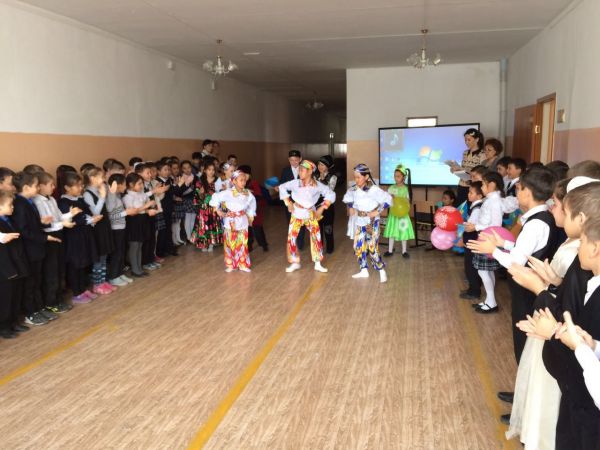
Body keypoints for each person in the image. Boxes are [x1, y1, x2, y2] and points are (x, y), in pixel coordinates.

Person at [506, 178, 581, 449]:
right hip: (548, 319)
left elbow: (571, 306)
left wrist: (542, 286)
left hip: (555, 324)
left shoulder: (580, 251)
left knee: (549, 388)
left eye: (558, 205)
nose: (553, 209)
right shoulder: (571, 241)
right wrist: (553, 282)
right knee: (537, 377)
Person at [12, 171, 61, 325]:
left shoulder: (28, 201)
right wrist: (44, 237)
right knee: (30, 283)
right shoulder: (20, 204)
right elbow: (23, 230)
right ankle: (30, 312)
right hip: (29, 250)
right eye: (35, 186)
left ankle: (39, 308)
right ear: (26, 187)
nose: (38, 188)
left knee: (37, 280)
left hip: (36, 249)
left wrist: (41, 222)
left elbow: (31, 224)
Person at [464, 171, 514, 313]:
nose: (482, 187)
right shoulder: (491, 199)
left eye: (483, 185)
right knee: (487, 271)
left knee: (483, 271)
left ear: (491, 185)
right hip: (486, 236)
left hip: (488, 238)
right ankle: (489, 300)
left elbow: (495, 223)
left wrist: (476, 227)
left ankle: (491, 302)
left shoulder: (494, 201)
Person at [279, 159, 335, 273]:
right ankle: (295, 262)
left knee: (316, 237)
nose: (299, 172)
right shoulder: (295, 183)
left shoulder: (317, 185)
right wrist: (288, 203)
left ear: (310, 172)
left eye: (302, 170)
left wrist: (322, 208)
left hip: (310, 214)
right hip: (296, 213)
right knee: (292, 238)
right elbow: (282, 187)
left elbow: (331, 194)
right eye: (299, 170)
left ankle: (317, 263)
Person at [33, 172, 77, 313]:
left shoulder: (51, 199)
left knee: (59, 269)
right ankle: (51, 302)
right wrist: (62, 224)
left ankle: (58, 299)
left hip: (59, 234)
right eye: (50, 185)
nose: (54, 187)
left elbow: (58, 217)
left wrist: (70, 214)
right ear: (40, 186)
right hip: (49, 238)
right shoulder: (37, 202)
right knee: (51, 272)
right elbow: (46, 224)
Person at [343, 164, 392, 283]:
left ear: (366, 177)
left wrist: (377, 211)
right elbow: (348, 197)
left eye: (358, 177)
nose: (356, 180)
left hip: (371, 222)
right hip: (360, 222)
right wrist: (351, 207)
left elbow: (388, 199)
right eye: (355, 177)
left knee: (372, 247)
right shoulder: (354, 189)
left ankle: (381, 269)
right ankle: (363, 269)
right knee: (358, 246)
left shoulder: (373, 189)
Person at [58, 172, 100, 304]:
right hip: (73, 237)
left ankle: (83, 289)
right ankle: (77, 292)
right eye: (77, 186)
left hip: (84, 234)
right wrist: (88, 220)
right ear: (67, 187)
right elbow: (72, 220)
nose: (81, 188)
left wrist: (91, 218)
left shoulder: (79, 199)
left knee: (83, 263)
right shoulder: (63, 202)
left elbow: (86, 213)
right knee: (75, 264)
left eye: (81, 185)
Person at [210, 170, 256, 272]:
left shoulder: (247, 193)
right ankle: (230, 264)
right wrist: (218, 210)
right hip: (230, 221)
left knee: (242, 243)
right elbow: (215, 197)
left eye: (244, 180)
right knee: (230, 243)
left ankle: (243, 264)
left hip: (242, 220)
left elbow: (252, 204)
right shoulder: (228, 192)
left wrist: (250, 216)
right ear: (234, 181)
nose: (243, 182)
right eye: (241, 180)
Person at [0, 191, 29, 338]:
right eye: (9, 205)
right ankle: (4, 326)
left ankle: (14, 321)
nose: (12, 207)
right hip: (5, 267)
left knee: (16, 294)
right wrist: (3, 237)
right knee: (6, 298)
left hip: (16, 262)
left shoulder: (8, 220)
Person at [83, 167, 116, 295]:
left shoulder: (99, 190)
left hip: (105, 226)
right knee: (99, 257)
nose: (103, 180)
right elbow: (95, 213)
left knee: (104, 256)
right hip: (96, 228)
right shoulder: (87, 194)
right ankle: (97, 284)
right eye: (101, 177)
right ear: (92, 178)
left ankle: (103, 281)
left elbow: (109, 208)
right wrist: (102, 197)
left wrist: (110, 194)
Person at [105, 174, 137, 286]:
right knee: (116, 253)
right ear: (117, 185)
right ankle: (113, 276)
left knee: (121, 252)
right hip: (115, 229)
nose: (125, 186)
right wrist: (125, 213)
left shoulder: (117, 194)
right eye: (124, 184)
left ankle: (119, 273)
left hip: (121, 227)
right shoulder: (110, 196)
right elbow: (109, 215)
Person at [123, 173, 156, 278]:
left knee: (140, 245)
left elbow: (143, 207)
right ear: (131, 184)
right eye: (139, 184)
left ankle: (139, 267)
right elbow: (132, 212)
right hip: (133, 222)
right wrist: (146, 206)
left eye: (142, 183)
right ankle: (135, 269)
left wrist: (148, 209)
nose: (141, 186)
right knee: (134, 246)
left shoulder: (140, 193)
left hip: (142, 220)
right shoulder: (127, 197)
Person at [459, 181, 484, 300]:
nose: (468, 194)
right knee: (471, 266)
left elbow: (470, 226)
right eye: (469, 192)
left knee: (470, 267)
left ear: (479, 196)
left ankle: (474, 291)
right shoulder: (475, 206)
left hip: (472, 241)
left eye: (471, 193)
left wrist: (459, 226)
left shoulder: (477, 209)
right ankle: (473, 288)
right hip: (472, 240)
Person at [191, 160, 223, 251]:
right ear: (204, 170)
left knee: (213, 224)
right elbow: (197, 196)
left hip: (214, 207)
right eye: (209, 169)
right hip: (204, 207)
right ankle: (203, 243)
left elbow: (220, 194)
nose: (211, 171)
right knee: (203, 225)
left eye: (213, 169)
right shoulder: (200, 181)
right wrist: (201, 193)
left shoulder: (218, 181)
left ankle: (211, 243)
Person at [448, 128, 485, 206]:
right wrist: (455, 169)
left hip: (473, 187)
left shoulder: (483, 154)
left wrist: (463, 170)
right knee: (460, 207)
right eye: (465, 140)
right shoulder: (465, 153)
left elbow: (481, 172)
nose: (466, 142)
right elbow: (463, 168)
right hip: (461, 185)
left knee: (470, 208)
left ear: (477, 139)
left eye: (469, 140)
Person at [383, 164, 414, 258]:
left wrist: (403, 201)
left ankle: (404, 251)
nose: (396, 178)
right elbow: (387, 200)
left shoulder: (406, 189)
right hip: (393, 214)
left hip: (403, 215)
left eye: (398, 176)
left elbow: (407, 201)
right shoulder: (391, 188)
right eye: (395, 176)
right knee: (392, 232)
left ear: (403, 177)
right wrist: (390, 198)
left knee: (403, 231)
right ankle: (390, 250)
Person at [238, 165, 269, 252]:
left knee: (257, 228)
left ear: (250, 175)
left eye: (246, 174)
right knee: (248, 229)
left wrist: (250, 192)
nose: (244, 176)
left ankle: (263, 244)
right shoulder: (239, 183)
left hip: (255, 209)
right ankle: (249, 245)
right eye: (242, 174)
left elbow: (258, 195)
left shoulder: (253, 183)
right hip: (244, 210)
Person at [280, 150, 305, 250]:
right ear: (288, 160)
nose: (294, 162)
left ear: (300, 159)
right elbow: (282, 185)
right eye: (291, 160)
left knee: (301, 223)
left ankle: (300, 243)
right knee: (291, 222)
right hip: (289, 202)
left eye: (296, 160)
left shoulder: (305, 170)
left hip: (302, 202)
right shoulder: (285, 171)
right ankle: (294, 242)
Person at [317, 155, 337, 254]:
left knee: (328, 228)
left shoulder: (333, 177)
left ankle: (330, 247)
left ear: (327, 166)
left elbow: (329, 190)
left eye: (322, 165)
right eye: (319, 164)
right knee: (317, 228)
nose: (320, 167)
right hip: (316, 205)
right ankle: (319, 247)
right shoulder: (314, 176)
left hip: (327, 206)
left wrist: (321, 179)